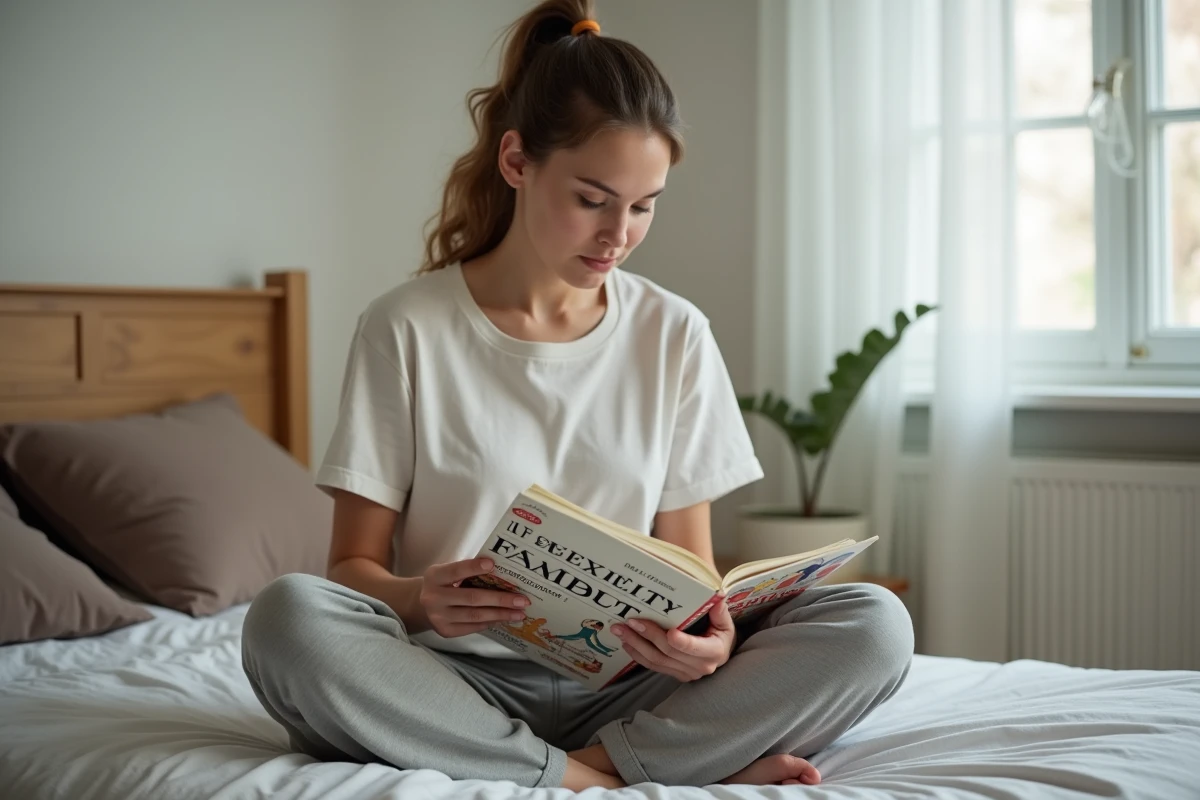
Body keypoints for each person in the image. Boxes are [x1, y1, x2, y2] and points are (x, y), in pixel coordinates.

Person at [240, 0, 914, 790]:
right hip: (455, 685)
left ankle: (575, 770)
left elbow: (691, 573)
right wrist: (420, 600)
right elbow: (351, 568)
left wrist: (710, 645)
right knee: (287, 619)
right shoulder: (406, 326)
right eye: (593, 199)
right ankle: (616, 775)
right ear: (517, 161)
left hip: (632, 687)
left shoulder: (675, 332)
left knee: (875, 623)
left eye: (644, 206)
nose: (618, 235)